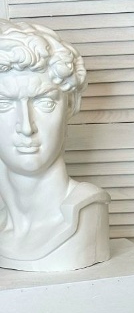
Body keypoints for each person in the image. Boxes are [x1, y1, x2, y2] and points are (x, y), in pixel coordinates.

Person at [0, 19, 109, 272]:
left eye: (45, 103)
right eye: (4, 105)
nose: (26, 127)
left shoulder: (84, 214)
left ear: (70, 105)